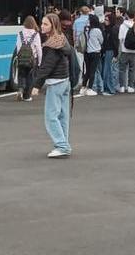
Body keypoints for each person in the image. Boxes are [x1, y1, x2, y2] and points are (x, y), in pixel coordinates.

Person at [30, 14, 74, 158]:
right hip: (65, 81)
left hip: (55, 82)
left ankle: (62, 145)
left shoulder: (51, 44)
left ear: (53, 26)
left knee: (51, 116)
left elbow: (47, 66)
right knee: (62, 115)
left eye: (45, 24)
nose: (42, 26)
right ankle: (63, 143)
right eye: (42, 23)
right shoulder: (62, 39)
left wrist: (37, 85)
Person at [12, 15, 42, 102]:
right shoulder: (35, 34)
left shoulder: (20, 33)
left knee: (21, 75)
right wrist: (40, 61)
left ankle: (20, 90)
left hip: (22, 58)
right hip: (32, 59)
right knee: (30, 77)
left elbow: (18, 46)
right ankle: (27, 96)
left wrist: (19, 56)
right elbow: (39, 49)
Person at [98, 12, 119, 95]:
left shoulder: (112, 30)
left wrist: (115, 54)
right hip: (108, 51)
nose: (105, 21)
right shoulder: (108, 29)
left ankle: (110, 89)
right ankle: (108, 88)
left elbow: (115, 43)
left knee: (108, 70)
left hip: (110, 51)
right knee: (107, 70)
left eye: (107, 20)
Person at [83, 15, 103, 96]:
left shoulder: (86, 30)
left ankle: (83, 87)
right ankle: (90, 88)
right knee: (93, 71)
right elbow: (101, 41)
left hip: (87, 52)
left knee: (87, 71)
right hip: (95, 52)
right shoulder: (97, 30)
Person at [117, 12, 135, 93]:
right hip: (134, 50)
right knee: (132, 69)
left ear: (126, 16)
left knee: (122, 69)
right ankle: (131, 86)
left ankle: (122, 86)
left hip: (124, 50)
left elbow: (120, 38)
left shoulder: (122, 26)